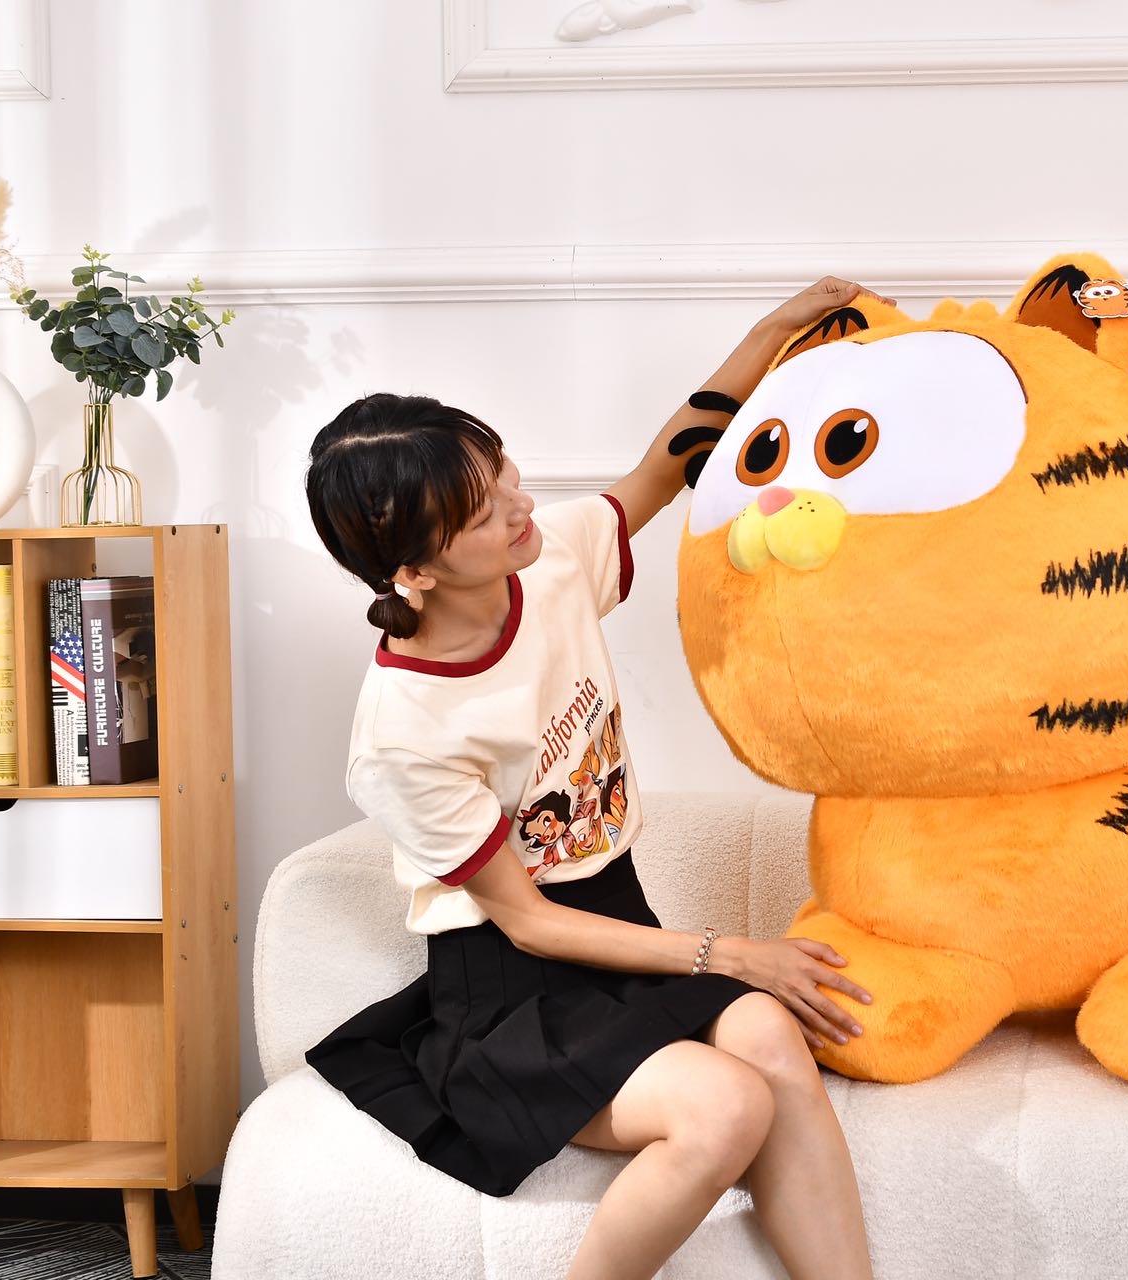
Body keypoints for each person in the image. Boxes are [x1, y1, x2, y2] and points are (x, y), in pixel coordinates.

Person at [301, 279, 888, 1280]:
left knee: (770, 1038)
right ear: (415, 571)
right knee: (727, 1103)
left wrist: (775, 328)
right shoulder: (404, 730)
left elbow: (665, 465)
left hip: (620, 926)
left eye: (505, 475)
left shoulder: (550, 563)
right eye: (486, 511)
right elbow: (530, 924)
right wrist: (729, 953)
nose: (522, 507)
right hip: (510, 989)